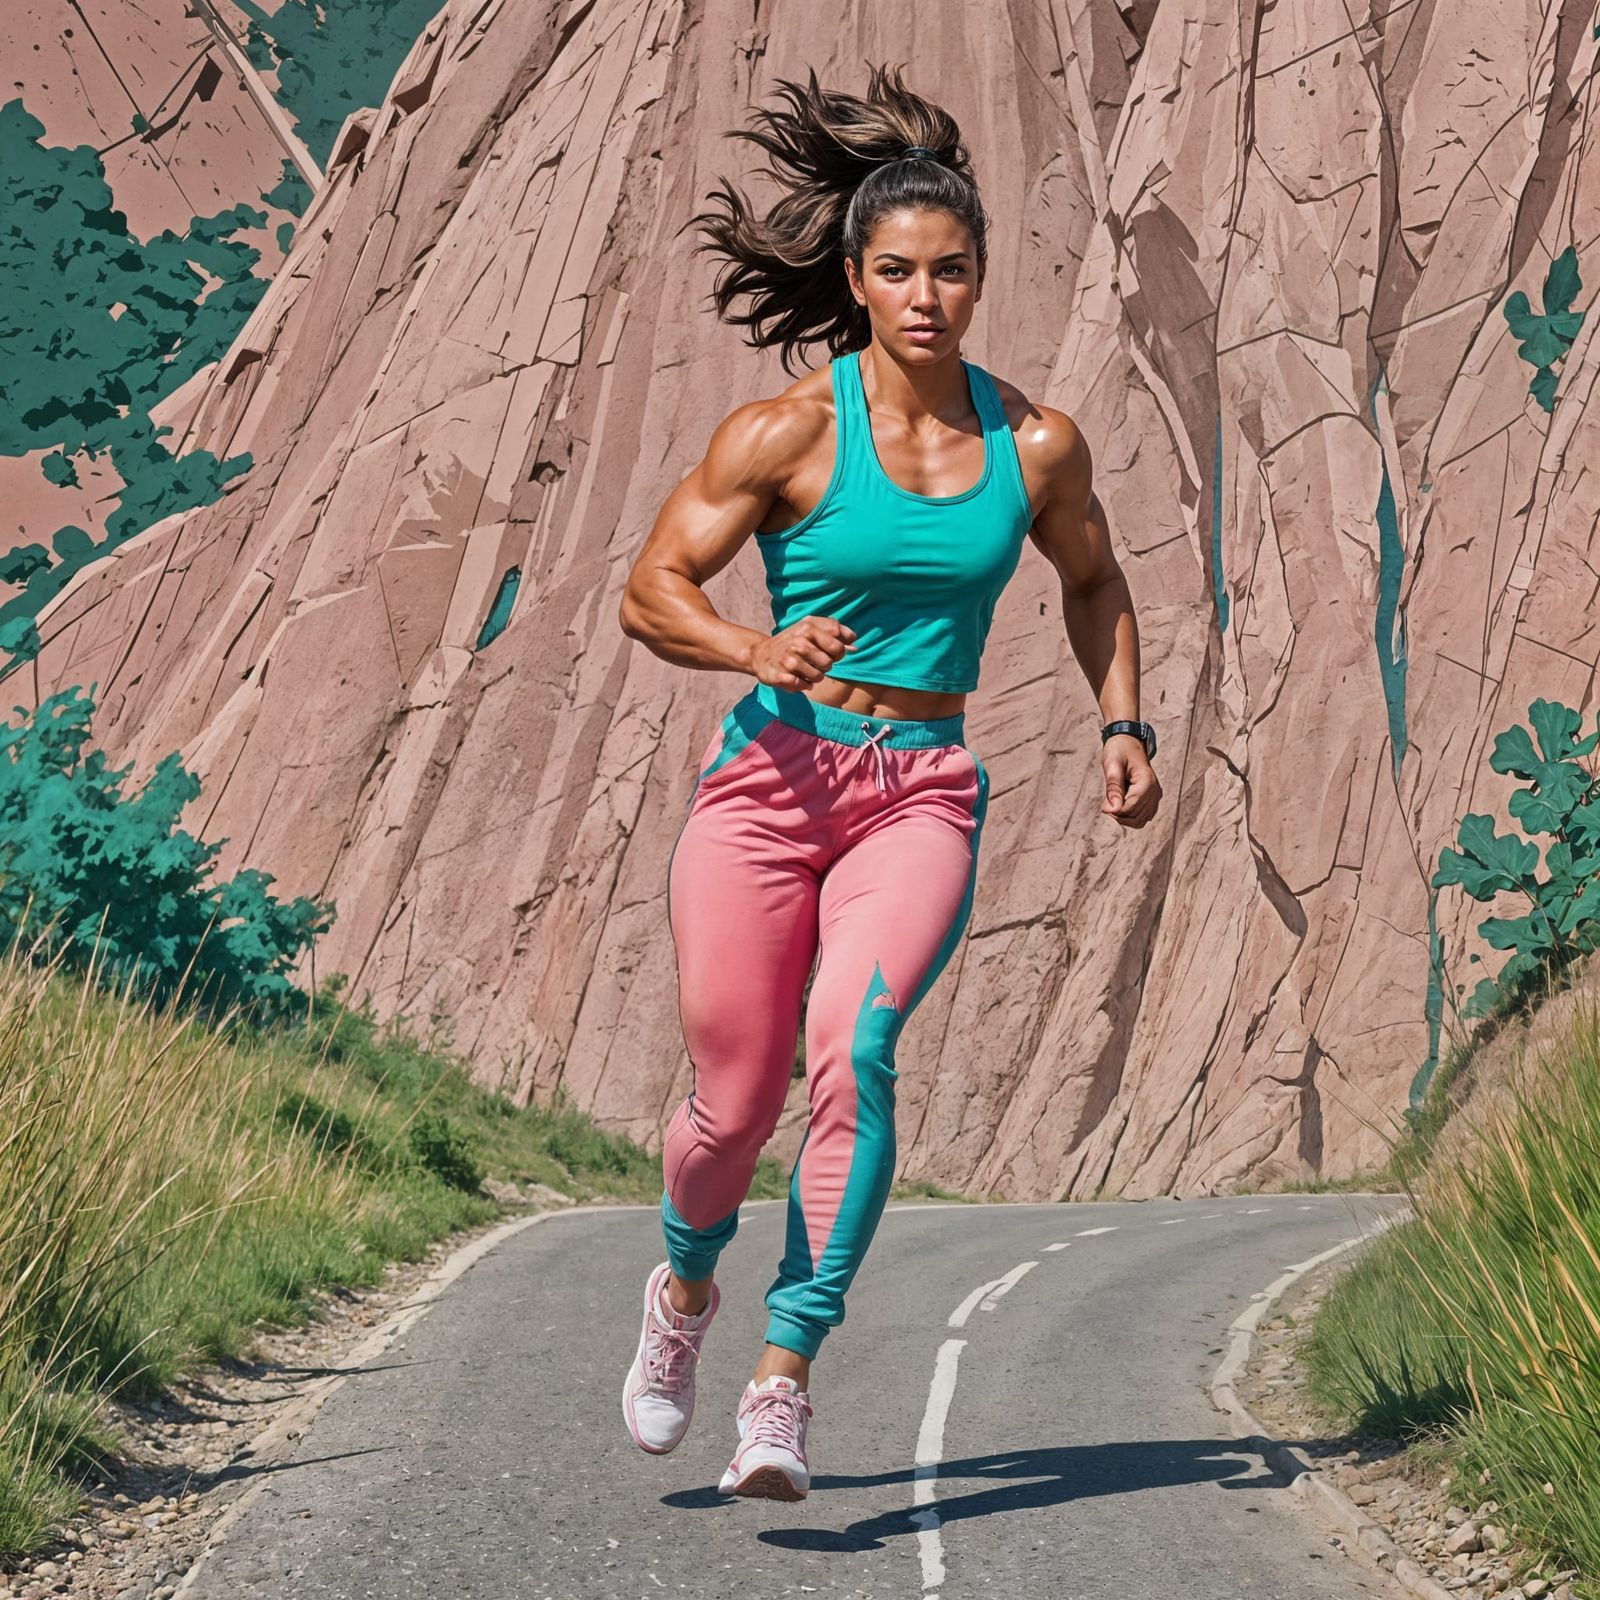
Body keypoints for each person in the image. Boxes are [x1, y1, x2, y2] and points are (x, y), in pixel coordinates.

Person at [615, 62, 1161, 1501]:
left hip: (920, 786)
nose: (929, 295)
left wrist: (1126, 723)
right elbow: (650, 589)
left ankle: (782, 1381)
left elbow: (1096, 581)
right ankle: (682, 1299)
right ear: (857, 280)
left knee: (850, 1056)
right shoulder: (786, 432)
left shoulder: (1033, 442)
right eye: (901, 271)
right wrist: (754, 640)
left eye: (955, 271)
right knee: (730, 1106)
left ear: (980, 280)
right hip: (766, 785)